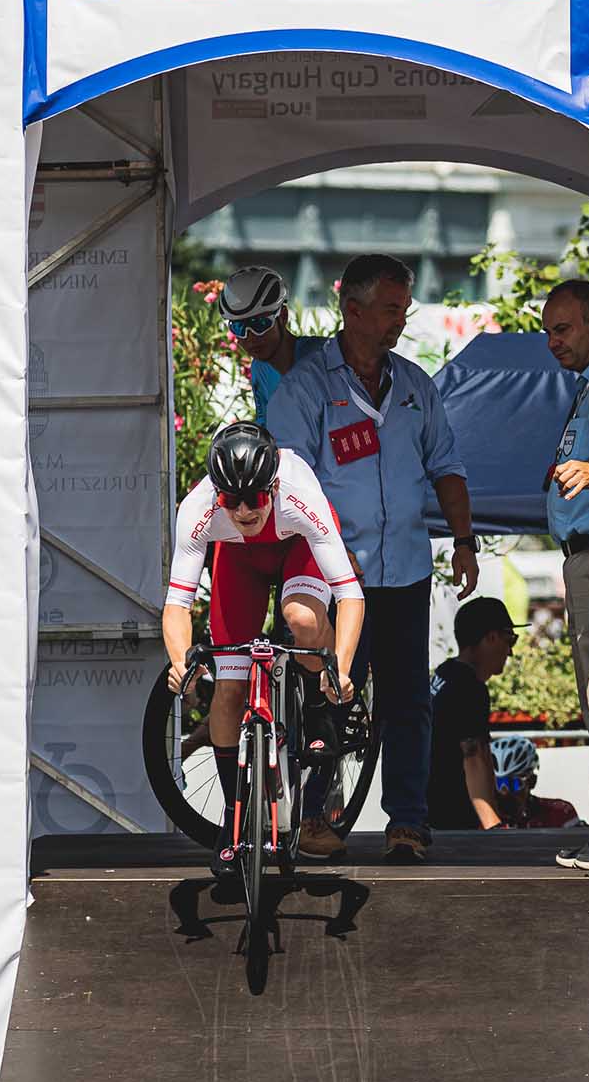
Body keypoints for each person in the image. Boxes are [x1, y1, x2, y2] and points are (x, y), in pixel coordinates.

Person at [267, 253, 477, 862]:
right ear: (352, 311)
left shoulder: (415, 386)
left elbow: (447, 466)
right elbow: (288, 483)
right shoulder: (307, 388)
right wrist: (323, 552)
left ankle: (408, 822)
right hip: (335, 578)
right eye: (389, 310)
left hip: (406, 571)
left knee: (410, 700)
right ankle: (314, 815)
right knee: (329, 695)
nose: (399, 323)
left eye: (403, 311)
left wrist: (464, 541)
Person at [161, 421, 364, 874]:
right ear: (216, 494)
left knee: (302, 619)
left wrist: (341, 668)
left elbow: (350, 594)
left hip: (299, 549)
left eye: (254, 498)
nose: (243, 510)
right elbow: (177, 603)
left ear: (273, 486)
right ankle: (233, 820)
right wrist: (181, 663)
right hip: (239, 560)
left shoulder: (298, 494)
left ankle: (318, 712)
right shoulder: (198, 508)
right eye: (230, 501)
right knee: (229, 691)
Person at [541, 278, 589, 873]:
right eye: (548, 332)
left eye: (562, 329)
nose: (553, 342)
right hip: (583, 559)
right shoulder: (587, 386)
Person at [427, 596, 521, 830]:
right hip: (451, 816)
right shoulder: (469, 689)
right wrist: (493, 825)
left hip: (427, 809)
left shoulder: (445, 673)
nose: (510, 651)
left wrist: (495, 799)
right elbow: (473, 757)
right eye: (510, 639)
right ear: (491, 638)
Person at [218, 265, 326, 426]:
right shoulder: (259, 368)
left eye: (260, 324)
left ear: (283, 317)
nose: (250, 337)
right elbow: (266, 428)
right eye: (239, 327)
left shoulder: (324, 357)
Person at [462, 735, 581, 833]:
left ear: (532, 781)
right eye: (499, 783)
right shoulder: (480, 818)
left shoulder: (559, 813)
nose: (504, 791)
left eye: (514, 783)